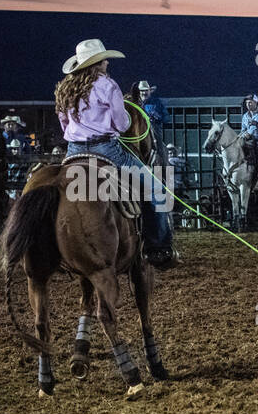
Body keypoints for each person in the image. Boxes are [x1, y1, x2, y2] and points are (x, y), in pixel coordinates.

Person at [55, 38, 178, 269]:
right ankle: (159, 247)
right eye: (104, 60)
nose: (107, 63)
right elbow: (122, 124)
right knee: (156, 188)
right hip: (107, 150)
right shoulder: (108, 86)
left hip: (73, 151)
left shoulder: (65, 87)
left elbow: (63, 123)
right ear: (97, 63)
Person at [131, 80, 167, 162]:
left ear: (150, 91)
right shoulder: (134, 103)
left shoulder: (156, 102)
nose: (144, 93)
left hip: (152, 126)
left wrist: (157, 117)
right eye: (142, 91)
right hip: (137, 126)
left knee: (158, 142)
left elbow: (166, 118)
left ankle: (163, 165)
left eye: (146, 91)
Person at [0, 114, 30, 183]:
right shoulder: (0, 138)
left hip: (19, 166)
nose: (11, 126)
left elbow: (28, 151)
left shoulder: (21, 138)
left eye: (13, 125)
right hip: (4, 167)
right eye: (8, 124)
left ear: (16, 126)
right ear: (4, 126)